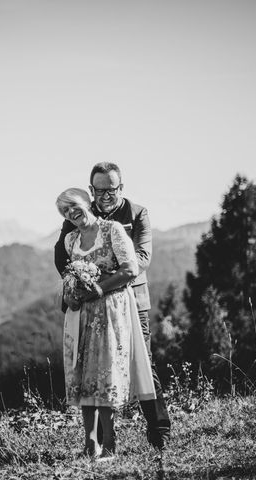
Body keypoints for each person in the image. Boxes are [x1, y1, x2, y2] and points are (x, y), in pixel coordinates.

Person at [54, 162, 172, 451]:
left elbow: (141, 257)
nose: (105, 195)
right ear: (92, 189)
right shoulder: (77, 214)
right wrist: (78, 283)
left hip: (131, 300)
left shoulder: (135, 214)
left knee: (143, 364)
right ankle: (104, 441)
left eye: (112, 189)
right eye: (99, 190)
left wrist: (107, 280)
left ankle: (159, 431)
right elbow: (62, 255)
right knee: (92, 367)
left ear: (121, 187)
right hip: (90, 304)